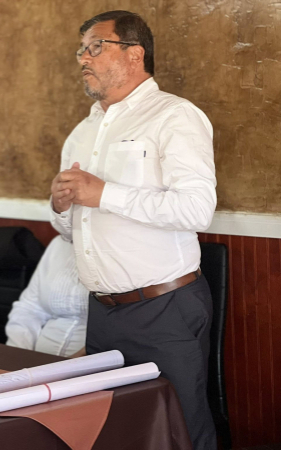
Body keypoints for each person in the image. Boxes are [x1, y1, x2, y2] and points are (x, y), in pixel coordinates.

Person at [50, 11, 217, 450]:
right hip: (102, 314)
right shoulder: (81, 133)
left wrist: (104, 194)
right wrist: (61, 206)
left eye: (95, 46)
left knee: (180, 431)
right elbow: (70, 230)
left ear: (134, 54)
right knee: (116, 433)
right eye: (81, 50)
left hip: (165, 308)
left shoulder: (175, 116)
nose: (83, 58)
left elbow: (197, 209)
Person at [5, 236, 89, 357]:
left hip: (92, 364)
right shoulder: (59, 242)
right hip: (35, 360)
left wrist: (68, 365)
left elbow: (114, 333)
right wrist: (17, 354)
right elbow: (29, 307)